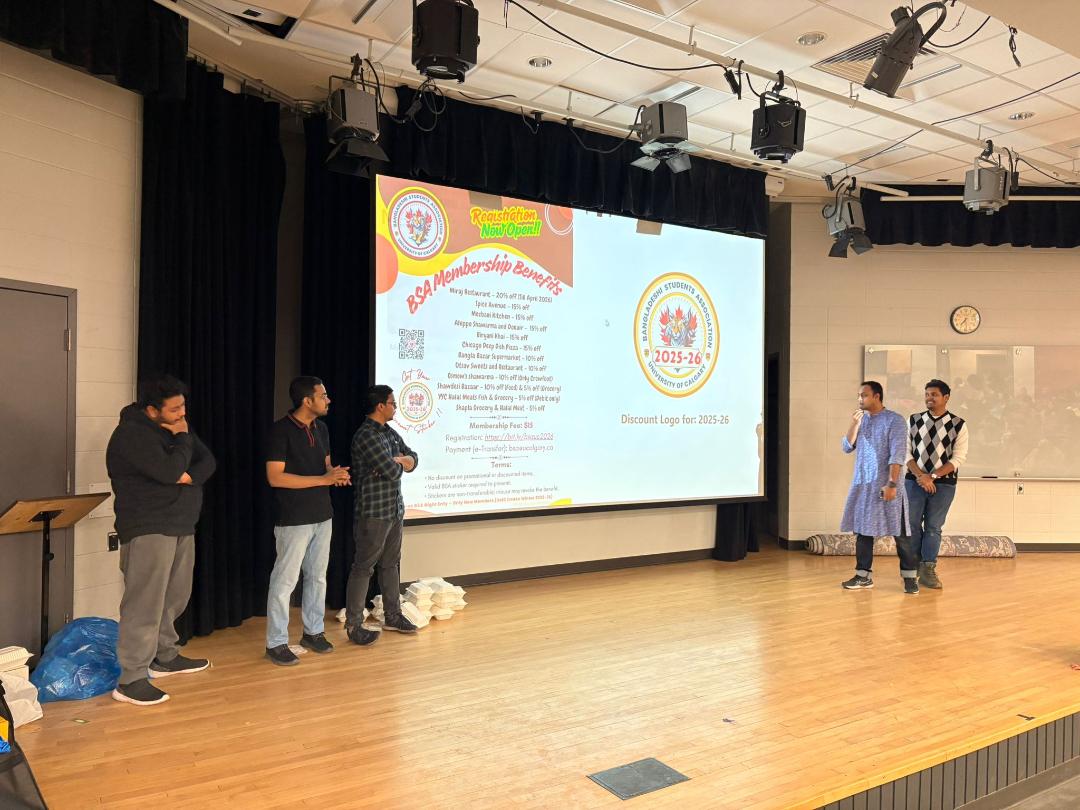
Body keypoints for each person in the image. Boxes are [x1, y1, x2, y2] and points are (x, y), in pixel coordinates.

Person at [106, 374, 217, 706]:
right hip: (148, 526)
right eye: (175, 409)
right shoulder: (131, 435)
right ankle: (131, 678)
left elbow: (208, 461)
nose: (182, 414)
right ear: (152, 410)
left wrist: (187, 476)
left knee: (175, 595)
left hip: (182, 523)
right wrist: (181, 447)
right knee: (145, 602)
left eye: (183, 406)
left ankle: (164, 655)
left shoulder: (177, 427)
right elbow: (169, 471)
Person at [264, 377, 351, 666]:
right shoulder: (281, 430)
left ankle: (313, 632)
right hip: (294, 518)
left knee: (317, 576)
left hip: (322, 514)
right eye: (323, 395)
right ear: (307, 400)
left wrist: (335, 474)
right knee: (286, 580)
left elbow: (325, 465)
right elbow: (275, 477)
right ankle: (276, 642)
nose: (328, 400)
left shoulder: (321, 428)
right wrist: (323, 479)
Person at [344, 385, 420, 645]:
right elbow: (392, 471)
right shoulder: (366, 435)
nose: (395, 408)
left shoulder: (389, 432)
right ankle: (354, 626)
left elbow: (414, 458)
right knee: (363, 567)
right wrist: (399, 462)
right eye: (392, 403)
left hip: (394, 510)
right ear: (380, 406)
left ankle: (393, 616)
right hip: (373, 513)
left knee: (390, 564)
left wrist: (401, 459)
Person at [840, 381, 919, 594]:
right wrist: (854, 424)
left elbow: (897, 454)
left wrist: (892, 483)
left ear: (877, 396)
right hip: (863, 486)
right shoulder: (861, 420)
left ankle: (910, 577)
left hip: (888, 485)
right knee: (863, 532)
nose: (860, 399)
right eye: (859, 395)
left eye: (864, 395)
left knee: (901, 534)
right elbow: (846, 447)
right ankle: (863, 576)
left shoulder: (894, 420)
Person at [905, 379, 968, 590]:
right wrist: (921, 476)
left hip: (944, 485)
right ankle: (913, 567)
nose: (929, 398)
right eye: (927, 394)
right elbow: (905, 453)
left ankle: (928, 569)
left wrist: (931, 477)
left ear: (946, 397)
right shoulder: (913, 420)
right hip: (914, 482)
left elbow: (958, 458)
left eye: (934, 394)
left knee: (933, 527)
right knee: (912, 525)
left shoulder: (958, 424)